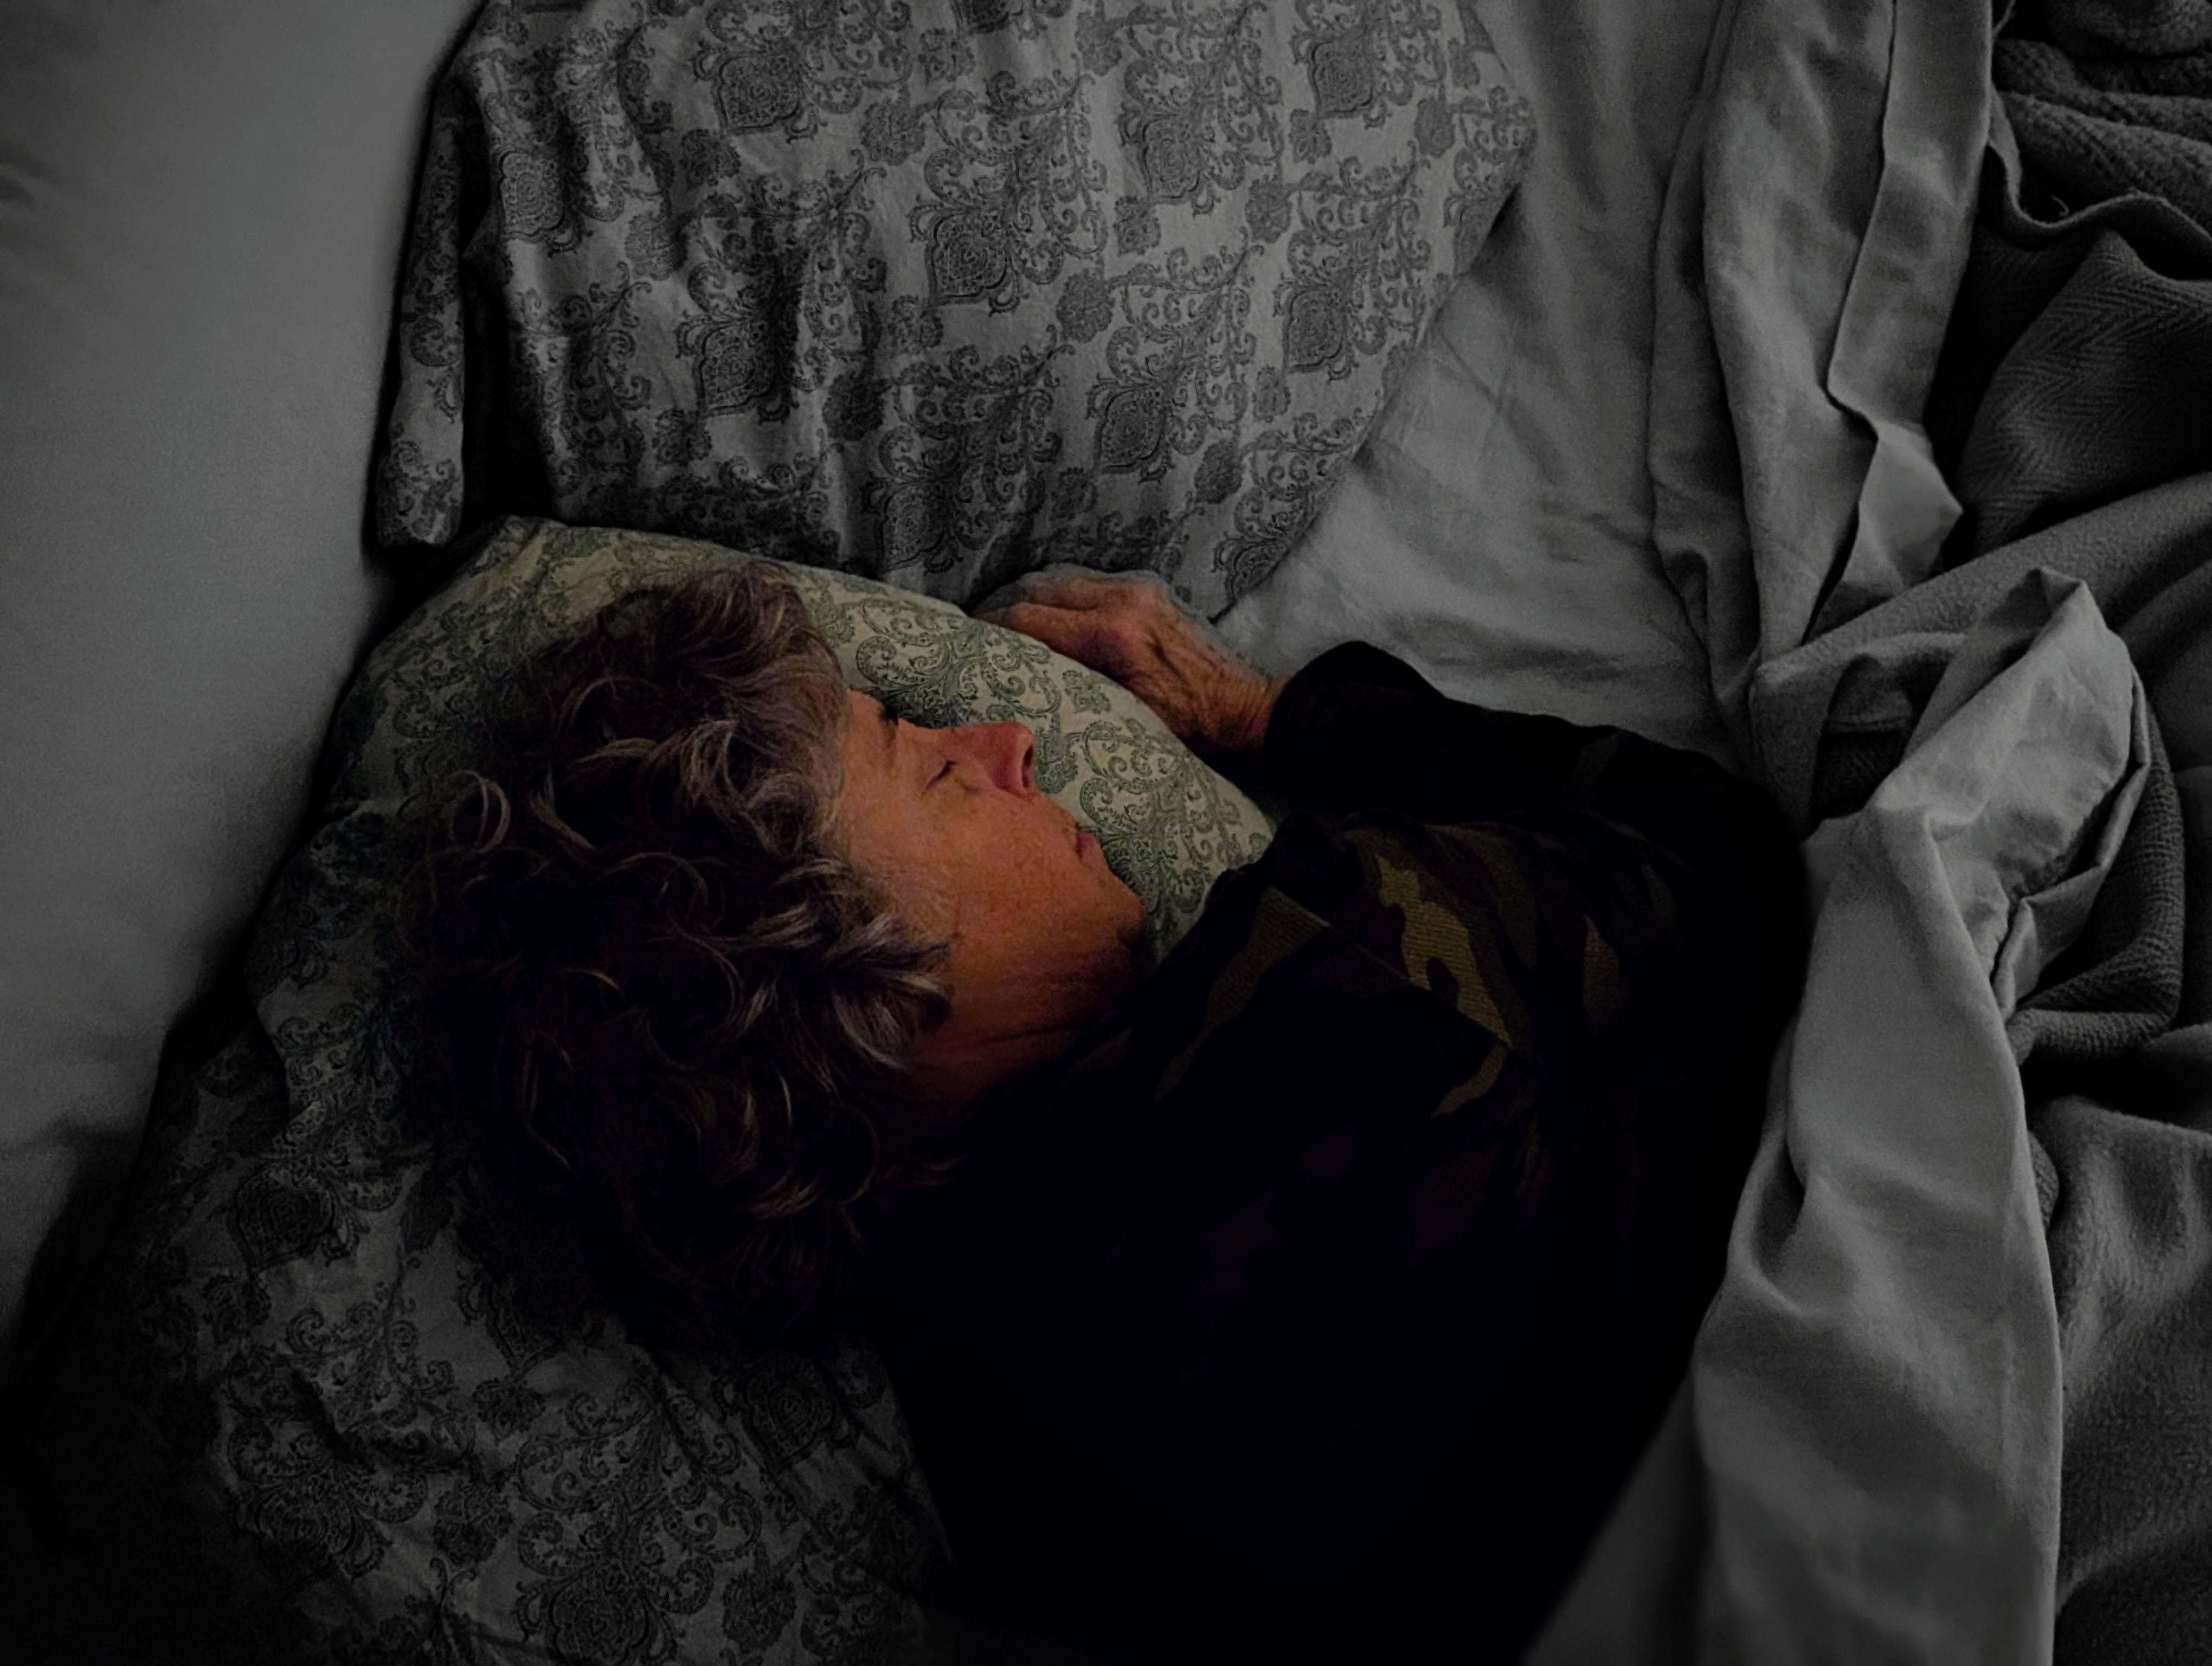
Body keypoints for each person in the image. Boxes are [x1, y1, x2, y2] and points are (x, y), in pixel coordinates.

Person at [416, 558, 1808, 1664]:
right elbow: (1729, 859)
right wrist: (1276, 718)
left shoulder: (1006, 1473)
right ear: (862, 988)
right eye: (937, 769)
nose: (1012, 739)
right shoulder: (1335, 978)